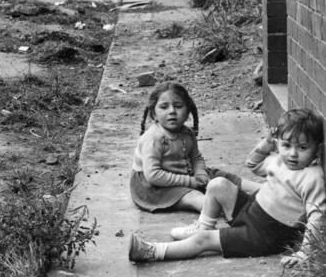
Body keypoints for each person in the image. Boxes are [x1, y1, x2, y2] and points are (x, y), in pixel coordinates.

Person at [129, 108, 326, 268]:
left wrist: (304, 251)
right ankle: (203, 225)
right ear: (279, 144)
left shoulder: (312, 177)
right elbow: (253, 164)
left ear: (316, 149)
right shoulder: (279, 161)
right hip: (250, 211)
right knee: (218, 184)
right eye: (286, 145)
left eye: (302, 148)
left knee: (204, 241)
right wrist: (267, 144)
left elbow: (316, 216)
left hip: (263, 236)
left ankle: (152, 251)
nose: (292, 154)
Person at [131, 82, 246, 214]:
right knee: (191, 196)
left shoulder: (187, 133)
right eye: (164, 107)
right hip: (155, 186)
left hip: (183, 174)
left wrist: (200, 174)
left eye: (178, 106)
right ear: (154, 114)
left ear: (188, 112)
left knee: (217, 175)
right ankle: (237, 209)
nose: (172, 111)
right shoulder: (153, 139)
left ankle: (260, 191)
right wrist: (190, 182)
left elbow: (195, 157)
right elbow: (153, 175)